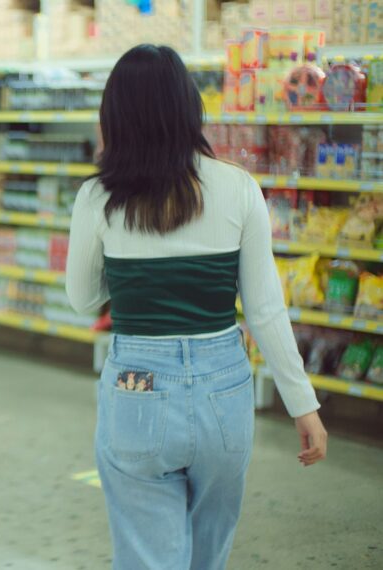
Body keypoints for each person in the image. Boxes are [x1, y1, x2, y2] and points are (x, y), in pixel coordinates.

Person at [65, 45, 328, 570]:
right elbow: (266, 310)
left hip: (136, 388)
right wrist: (304, 405)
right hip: (224, 389)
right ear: (190, 107)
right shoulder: (237, 187)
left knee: (147, 556)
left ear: (114, 115)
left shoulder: (98, 197)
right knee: (208, 554)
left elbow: (82, 300)